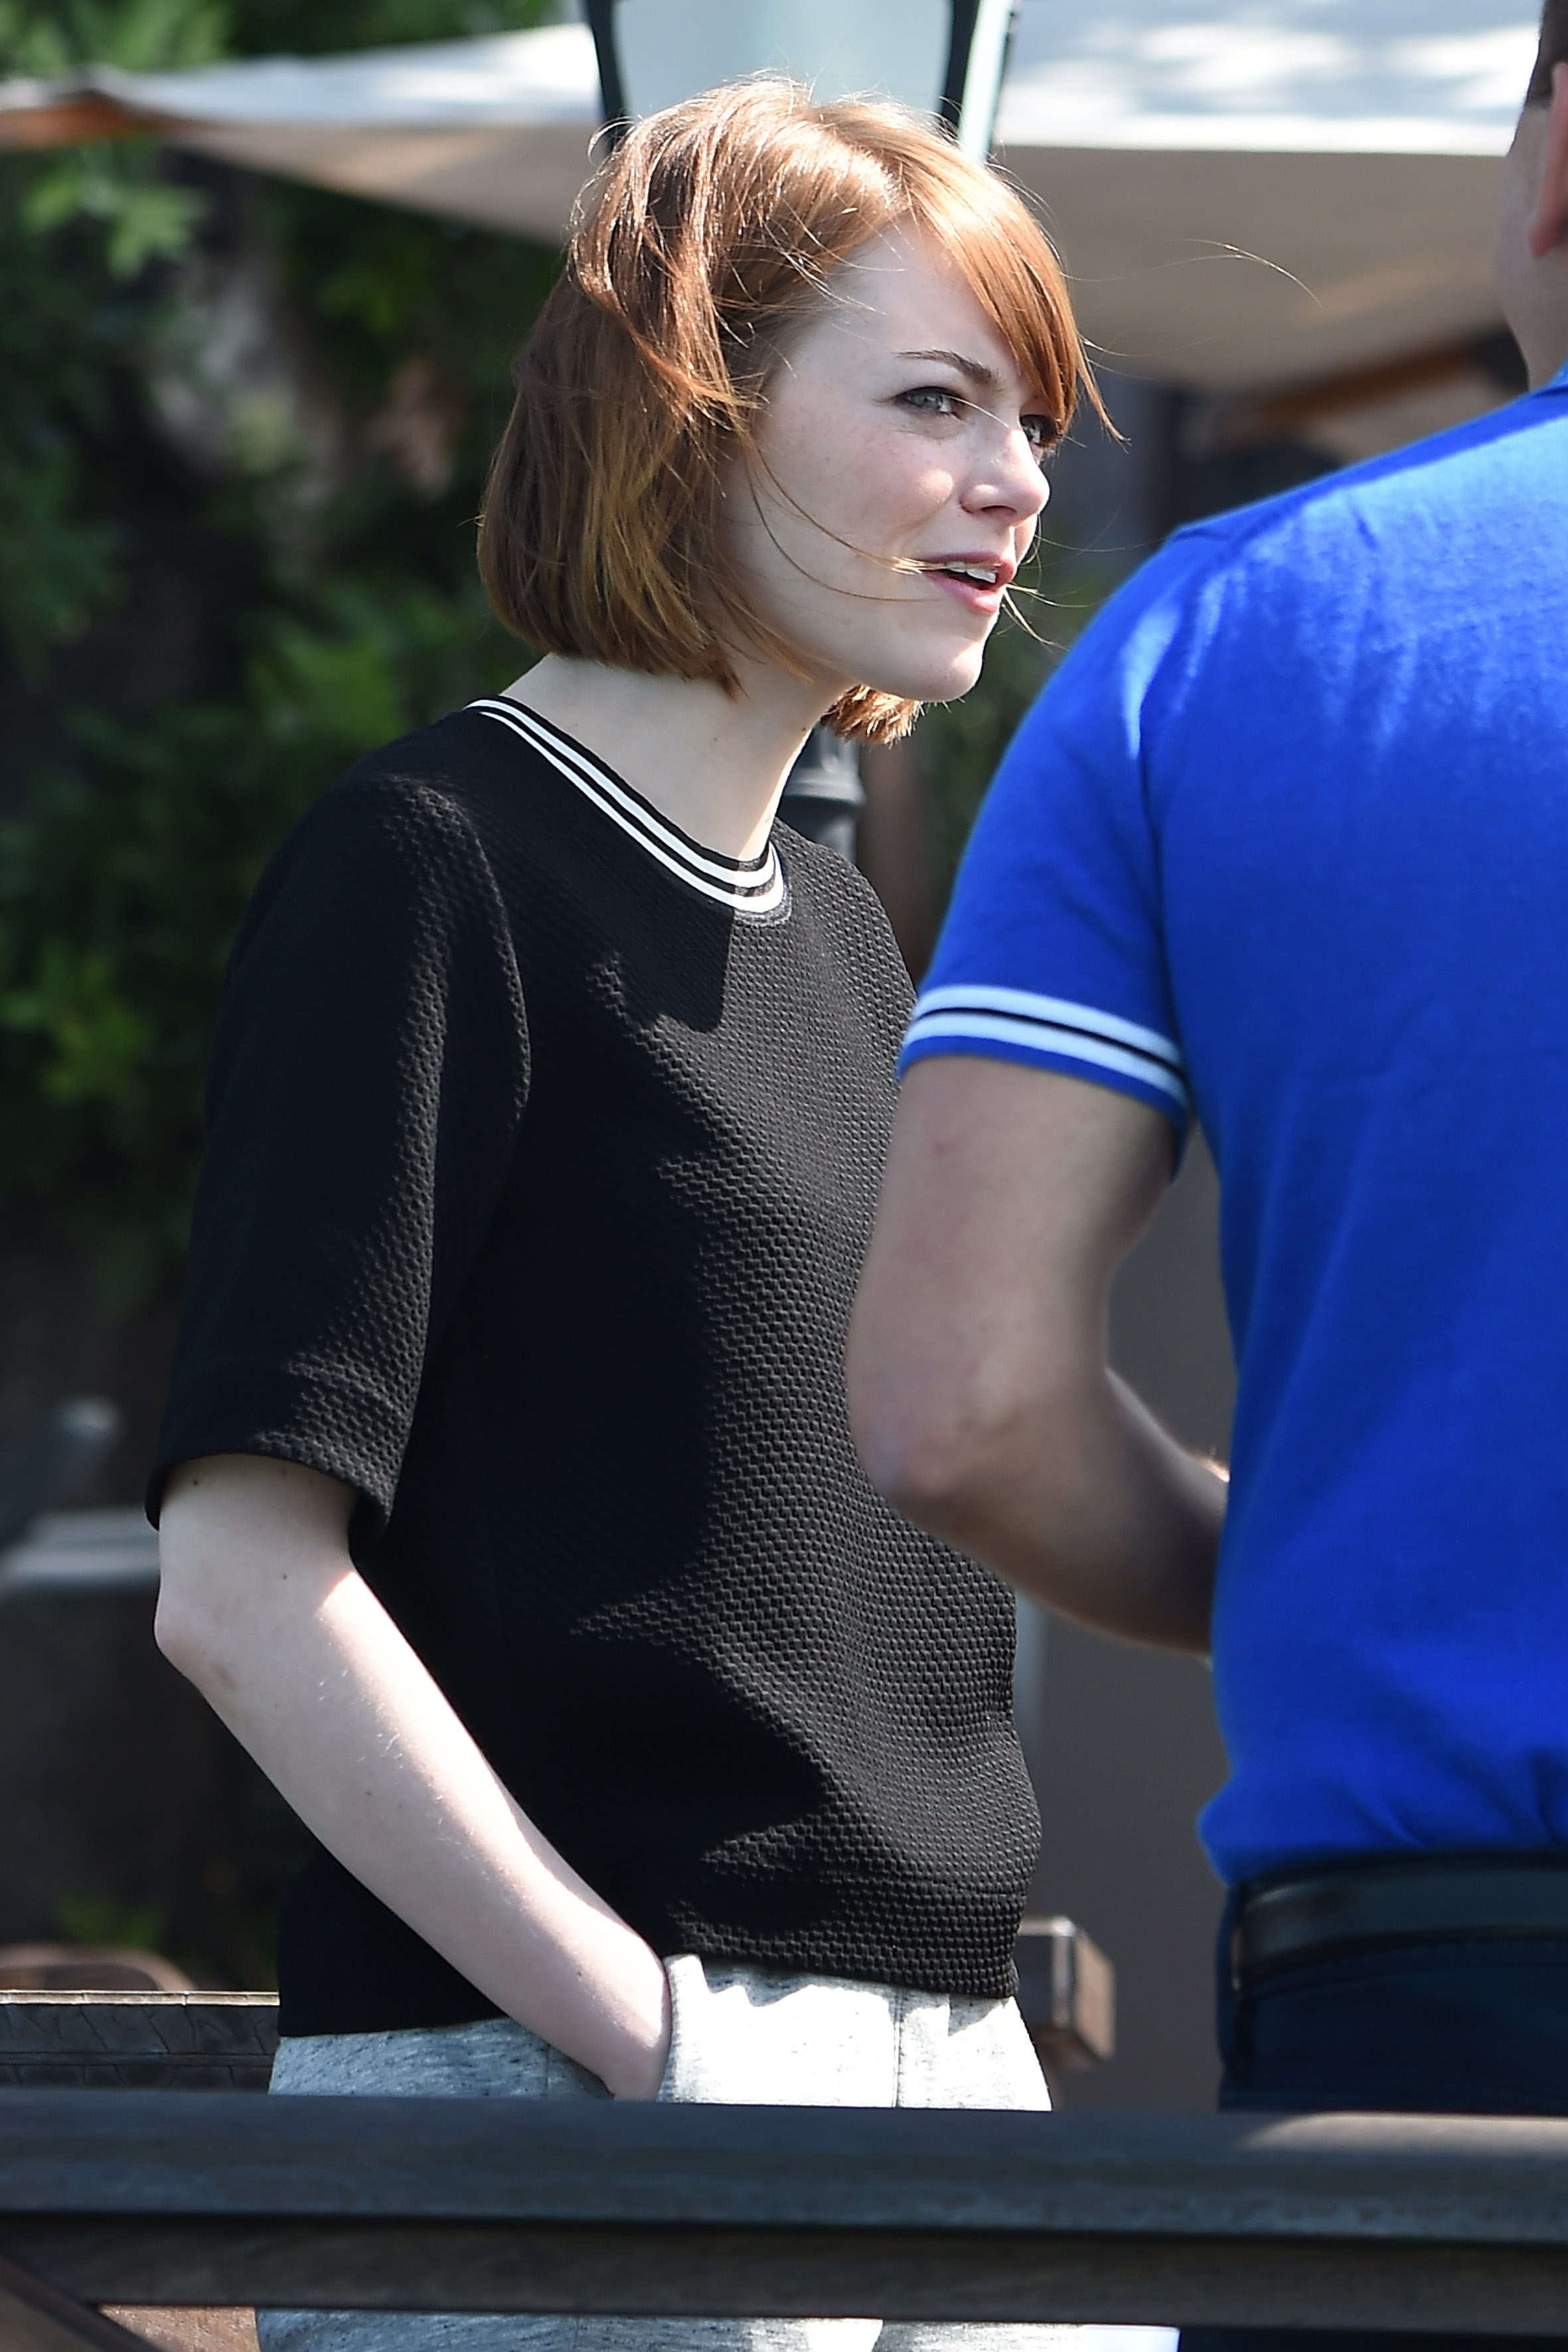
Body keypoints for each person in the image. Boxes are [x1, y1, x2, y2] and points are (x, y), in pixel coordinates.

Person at [149, 78, 1097, 2352]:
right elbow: (241, 1585)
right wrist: (649, 2044)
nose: (1018, 480)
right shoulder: (429, 866)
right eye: (936, 399)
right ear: (697, 402)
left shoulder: (849, 940)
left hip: (948, 2081)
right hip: (570, 2105)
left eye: (1035, 420)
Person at [848, 7, 1568, 2335]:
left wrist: (1323, 1569)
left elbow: (955, 1402)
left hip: (1431, 2025)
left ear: (1554, 160)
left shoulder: (1229, 631)